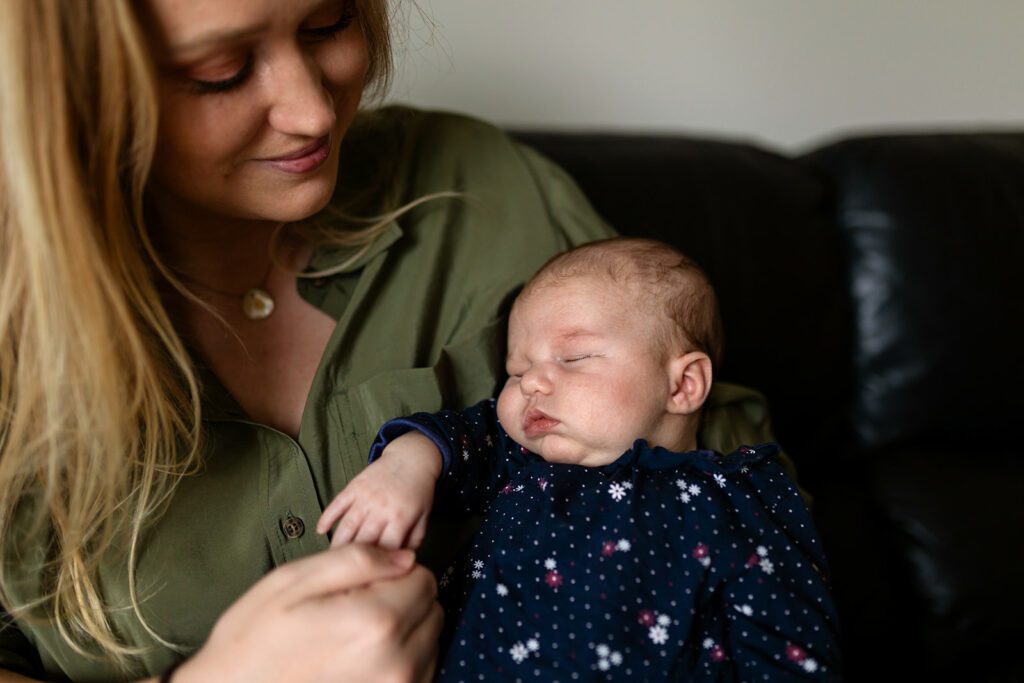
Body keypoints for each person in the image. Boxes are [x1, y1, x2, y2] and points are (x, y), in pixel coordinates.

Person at [0, 1, 792, 681]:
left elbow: (738, 492)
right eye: (221, 69)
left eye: (327, 23)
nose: (312, 112)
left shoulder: (480, 191)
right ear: (73, 92)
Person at [320, 238, 842, 681]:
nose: (533, 383)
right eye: (517, 369)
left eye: (574, 358)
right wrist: (403, 468)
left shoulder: (742, 494)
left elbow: (791, 643)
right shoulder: (519, 458)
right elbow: (452, 437)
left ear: (683, 385)